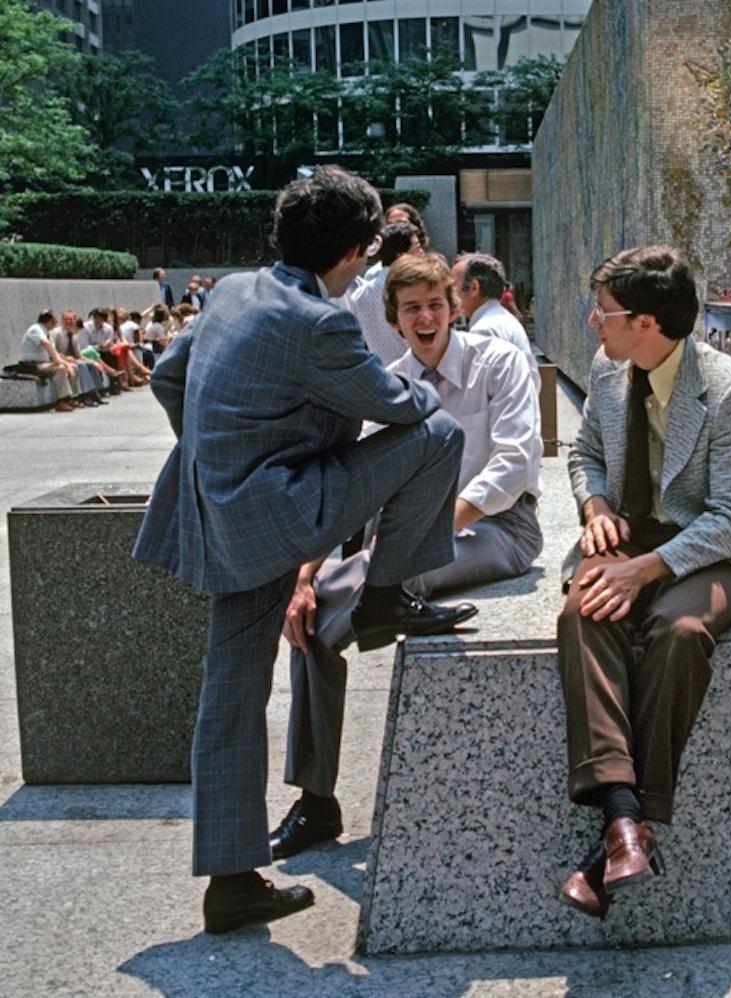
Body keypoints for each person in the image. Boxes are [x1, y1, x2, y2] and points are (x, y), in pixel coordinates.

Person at [132, 166, 477, 937]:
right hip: (278, 512)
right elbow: (402, 407)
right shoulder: (316, 323)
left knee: (229, 693)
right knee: (439, 436)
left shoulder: (230, 290)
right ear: (355, 253)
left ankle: (230, 881)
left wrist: (217, 457)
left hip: (218, 512)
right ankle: (386, 594)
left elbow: (166, 376)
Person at [271, 251, 544, 859]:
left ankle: (316, 803)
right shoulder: (389, 381)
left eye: (436, 305)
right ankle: (317, 801)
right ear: (393, 319)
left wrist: (426, 531)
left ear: (455, 307)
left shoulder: (496, 361)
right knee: (311, 620)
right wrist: (306, 574)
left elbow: (515, 461)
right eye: (412, 308)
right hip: (408, 541)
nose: (426, 318)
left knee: (370, 580)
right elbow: (351, 483)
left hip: (502, 529)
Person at [555, 245, 731, 919]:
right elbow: (585, 453)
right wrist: (594, 506)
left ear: (647, 323)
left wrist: (648, 569)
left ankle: (626, 829)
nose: (595, 323)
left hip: (710, 552)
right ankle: (627, 823)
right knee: (581, 613)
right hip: (626, 533)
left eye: (605, 312)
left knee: (680, 630)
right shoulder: (607, 368)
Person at [343, 220, 425, 365]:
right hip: (418, 372)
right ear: (401, 255)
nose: (422, 253)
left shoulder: (360, 294)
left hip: (381, 373)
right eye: (417, 247)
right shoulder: (414, 289)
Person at [451, 253, 535, 360]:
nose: (449, 292)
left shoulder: (484, 330)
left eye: (453, 285)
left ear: (474, 288)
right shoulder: (502, 319)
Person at [15, 310, 77, 411]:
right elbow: (46, 344)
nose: (55, 324)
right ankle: (62, 401)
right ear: (48, 321)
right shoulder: (36, 329)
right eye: (54, 321)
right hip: (31, 365)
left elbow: (54, 351)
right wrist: (59, 362)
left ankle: (72, 397)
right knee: (60, 369)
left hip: (43, 364)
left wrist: (67, 363)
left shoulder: (45, 332)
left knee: (72, 366)